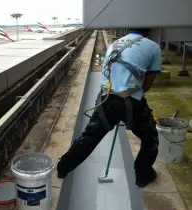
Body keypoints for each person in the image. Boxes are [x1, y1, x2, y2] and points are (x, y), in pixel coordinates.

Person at [57, 28, 162, 188]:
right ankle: (143, 176)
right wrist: (136, 93)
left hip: (106, 100)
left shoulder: (115, 44)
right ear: (148, 31)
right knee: (150, 138)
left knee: (89, 137)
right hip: (132, 101)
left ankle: (63, 168)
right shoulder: (153, 46)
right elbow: (149, 81)